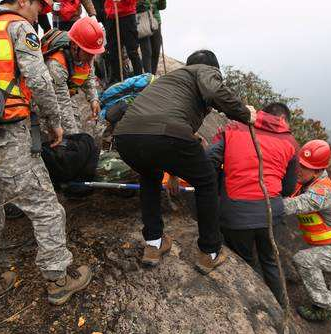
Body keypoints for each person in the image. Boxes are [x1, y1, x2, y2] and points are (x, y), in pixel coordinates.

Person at [0, 0, 92, 312]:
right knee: (46, 208)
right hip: (5, 134)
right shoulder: (18, 27)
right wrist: (54, 123)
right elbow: (40, 79)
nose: (39, 17)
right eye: (38, 8)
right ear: (22, 0)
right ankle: (58, 280)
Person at [114, 50, 256, 272]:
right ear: (213, 69)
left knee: (149, 177)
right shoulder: (204, 70)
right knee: (207, 181)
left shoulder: (168, 82)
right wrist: (245, 113)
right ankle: (209, 251)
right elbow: (213, 91)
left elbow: (164, 131)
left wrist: (172, 174)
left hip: (126, 137)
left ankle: (154, 243)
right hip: (164, 135)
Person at [208, 102, 298, 304]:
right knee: (270, 261)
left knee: (245, 262)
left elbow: (209, 159)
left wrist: (216, 190)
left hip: (236, 213)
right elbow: (289, 188)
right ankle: (281, 306)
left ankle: (256, 308)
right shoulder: (290, 142)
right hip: (271, 213)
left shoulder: (233, 128)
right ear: (284, 121)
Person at [284, 140, 331, 333]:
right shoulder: (308, 181)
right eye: (299, 164)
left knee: (304, 260)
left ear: (317, 171)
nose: (299, 169)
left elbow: (290, 206)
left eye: (306, 167)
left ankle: (325, 304)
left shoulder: (321, 192)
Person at [43, 17, 104, 135]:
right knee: (56, 134)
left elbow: (89, 76)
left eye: (93, 53)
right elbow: (62, 103)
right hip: (48, 100)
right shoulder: (56, 63)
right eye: (89, 53)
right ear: (75, 46)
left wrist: (94, 99)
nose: (92, 57)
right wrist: (74, 136)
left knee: (76, 126)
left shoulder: (86, 54)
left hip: (66, 95)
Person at [136, 0, 166, 75]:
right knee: (146, 50)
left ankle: (152, 74)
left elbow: (162, 7)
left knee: (156, 49)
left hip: (156, 22)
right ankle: (147, 75)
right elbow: (135, 5)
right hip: (143, 22)